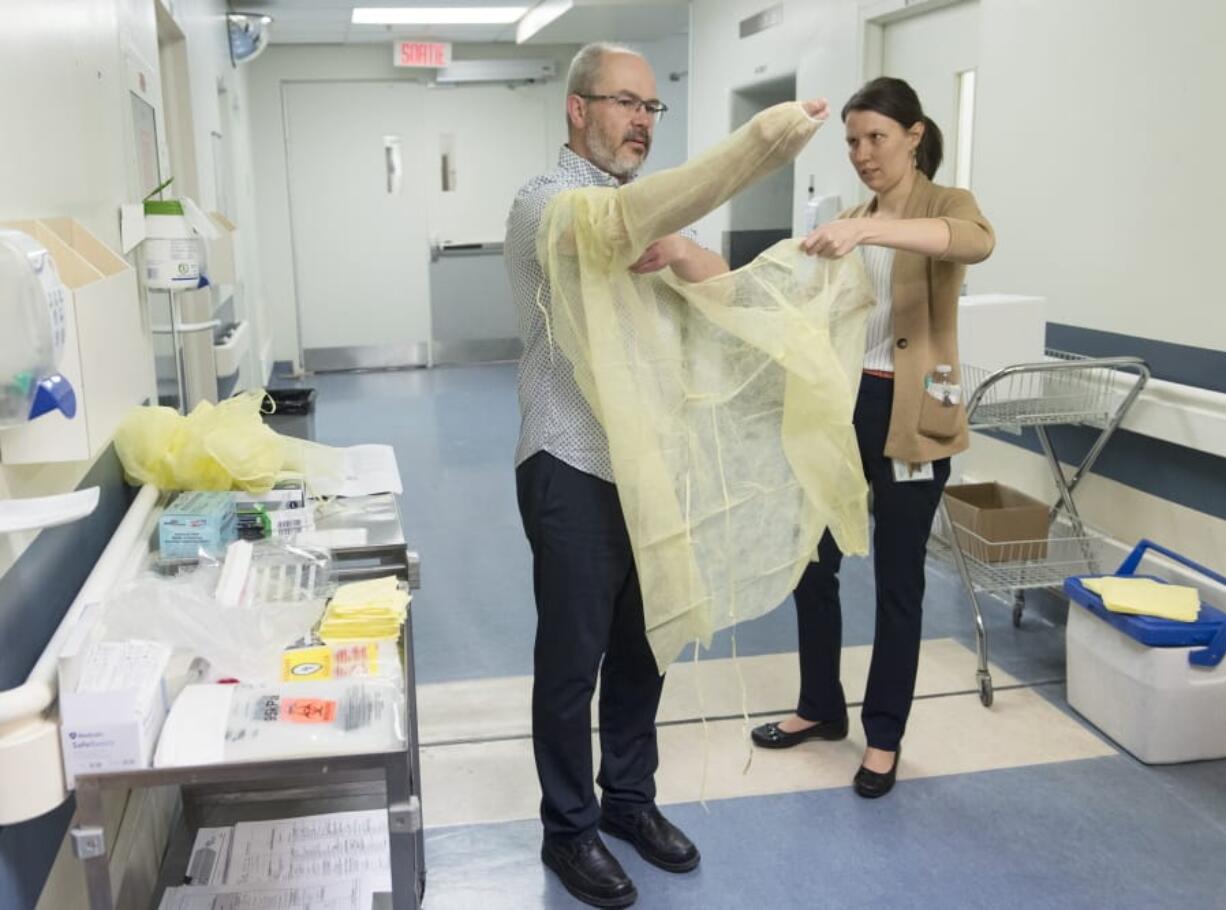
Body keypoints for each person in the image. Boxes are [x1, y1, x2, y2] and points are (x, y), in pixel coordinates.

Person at [504, 42, 727, 909]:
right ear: (577, 109)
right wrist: (748, 153)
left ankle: (631, 803)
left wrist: (676, 246)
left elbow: (721, 281)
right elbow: (603, 233)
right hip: (572, 461)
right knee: (572, 660)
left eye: (650, 108)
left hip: (650, 468)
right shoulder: (543, 203)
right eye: (625, 103)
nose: (640, 120)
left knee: (646, 644)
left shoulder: (647, 209)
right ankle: (570, 829)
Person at [751, 77, 995, 799]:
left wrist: (867, 229)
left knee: (897, 582)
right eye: (852, 141)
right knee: (811, 562)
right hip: (842, 405)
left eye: (875, 138)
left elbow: (974, 243)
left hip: (910, 411)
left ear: (914, 136)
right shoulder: (849, 219)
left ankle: (883, 736)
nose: (862, 153)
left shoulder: (944, 208)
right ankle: (819, 706)